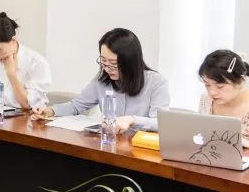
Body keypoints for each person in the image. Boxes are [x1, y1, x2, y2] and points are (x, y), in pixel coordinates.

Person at [31, 28, 170, 132]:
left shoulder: (157, 83)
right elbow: (76, 105)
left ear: (130, 62)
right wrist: (50, 111)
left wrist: (131, 120)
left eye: (113, 63)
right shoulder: (102, 80)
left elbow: (160, 123)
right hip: (109, 145)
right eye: (103, 61)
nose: (107, 68)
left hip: (140, 150)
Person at [0, 12, 51, 110]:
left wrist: (11, 75)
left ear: (13, 41)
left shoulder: (37, 63)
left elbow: (27, 104)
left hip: (27, 117)